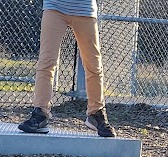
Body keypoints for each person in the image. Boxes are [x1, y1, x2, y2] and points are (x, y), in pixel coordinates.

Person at [18, 0, 117, 137]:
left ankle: (96, 112)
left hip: (85, 9)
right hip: (55, 7)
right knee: (46, 62)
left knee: (93, 65)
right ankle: (40, 113)